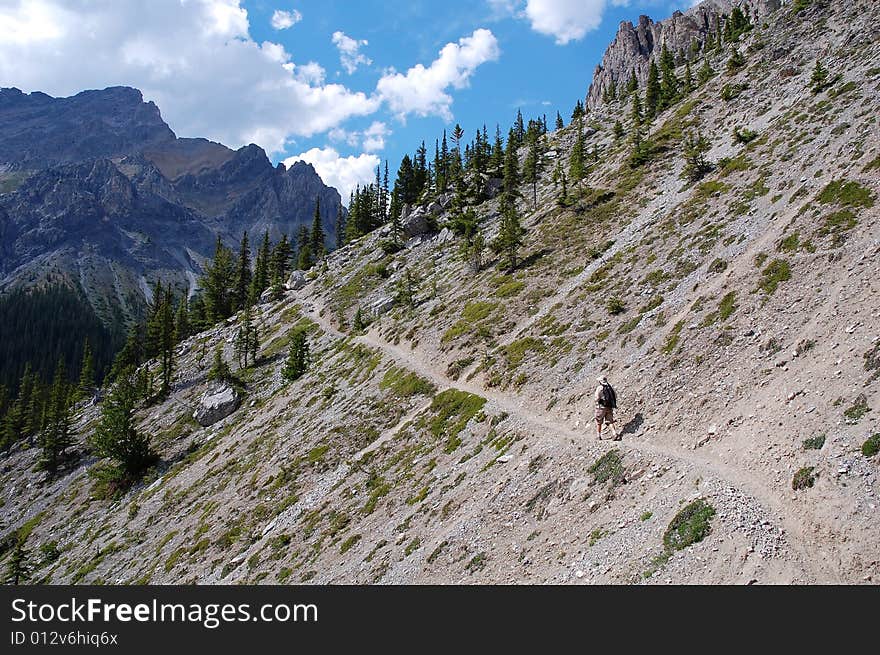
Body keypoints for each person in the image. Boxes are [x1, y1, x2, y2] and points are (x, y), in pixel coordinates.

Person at [594, 374, 619, 440]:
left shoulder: (599, 388)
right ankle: (614, 433)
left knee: (599, 421)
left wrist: (598, 401)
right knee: (610, 421)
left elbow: (596, 398)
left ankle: (598, 436)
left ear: (600, 381)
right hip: (609, 406)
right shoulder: (610, 387)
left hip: (601, 407)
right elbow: (615, 396)